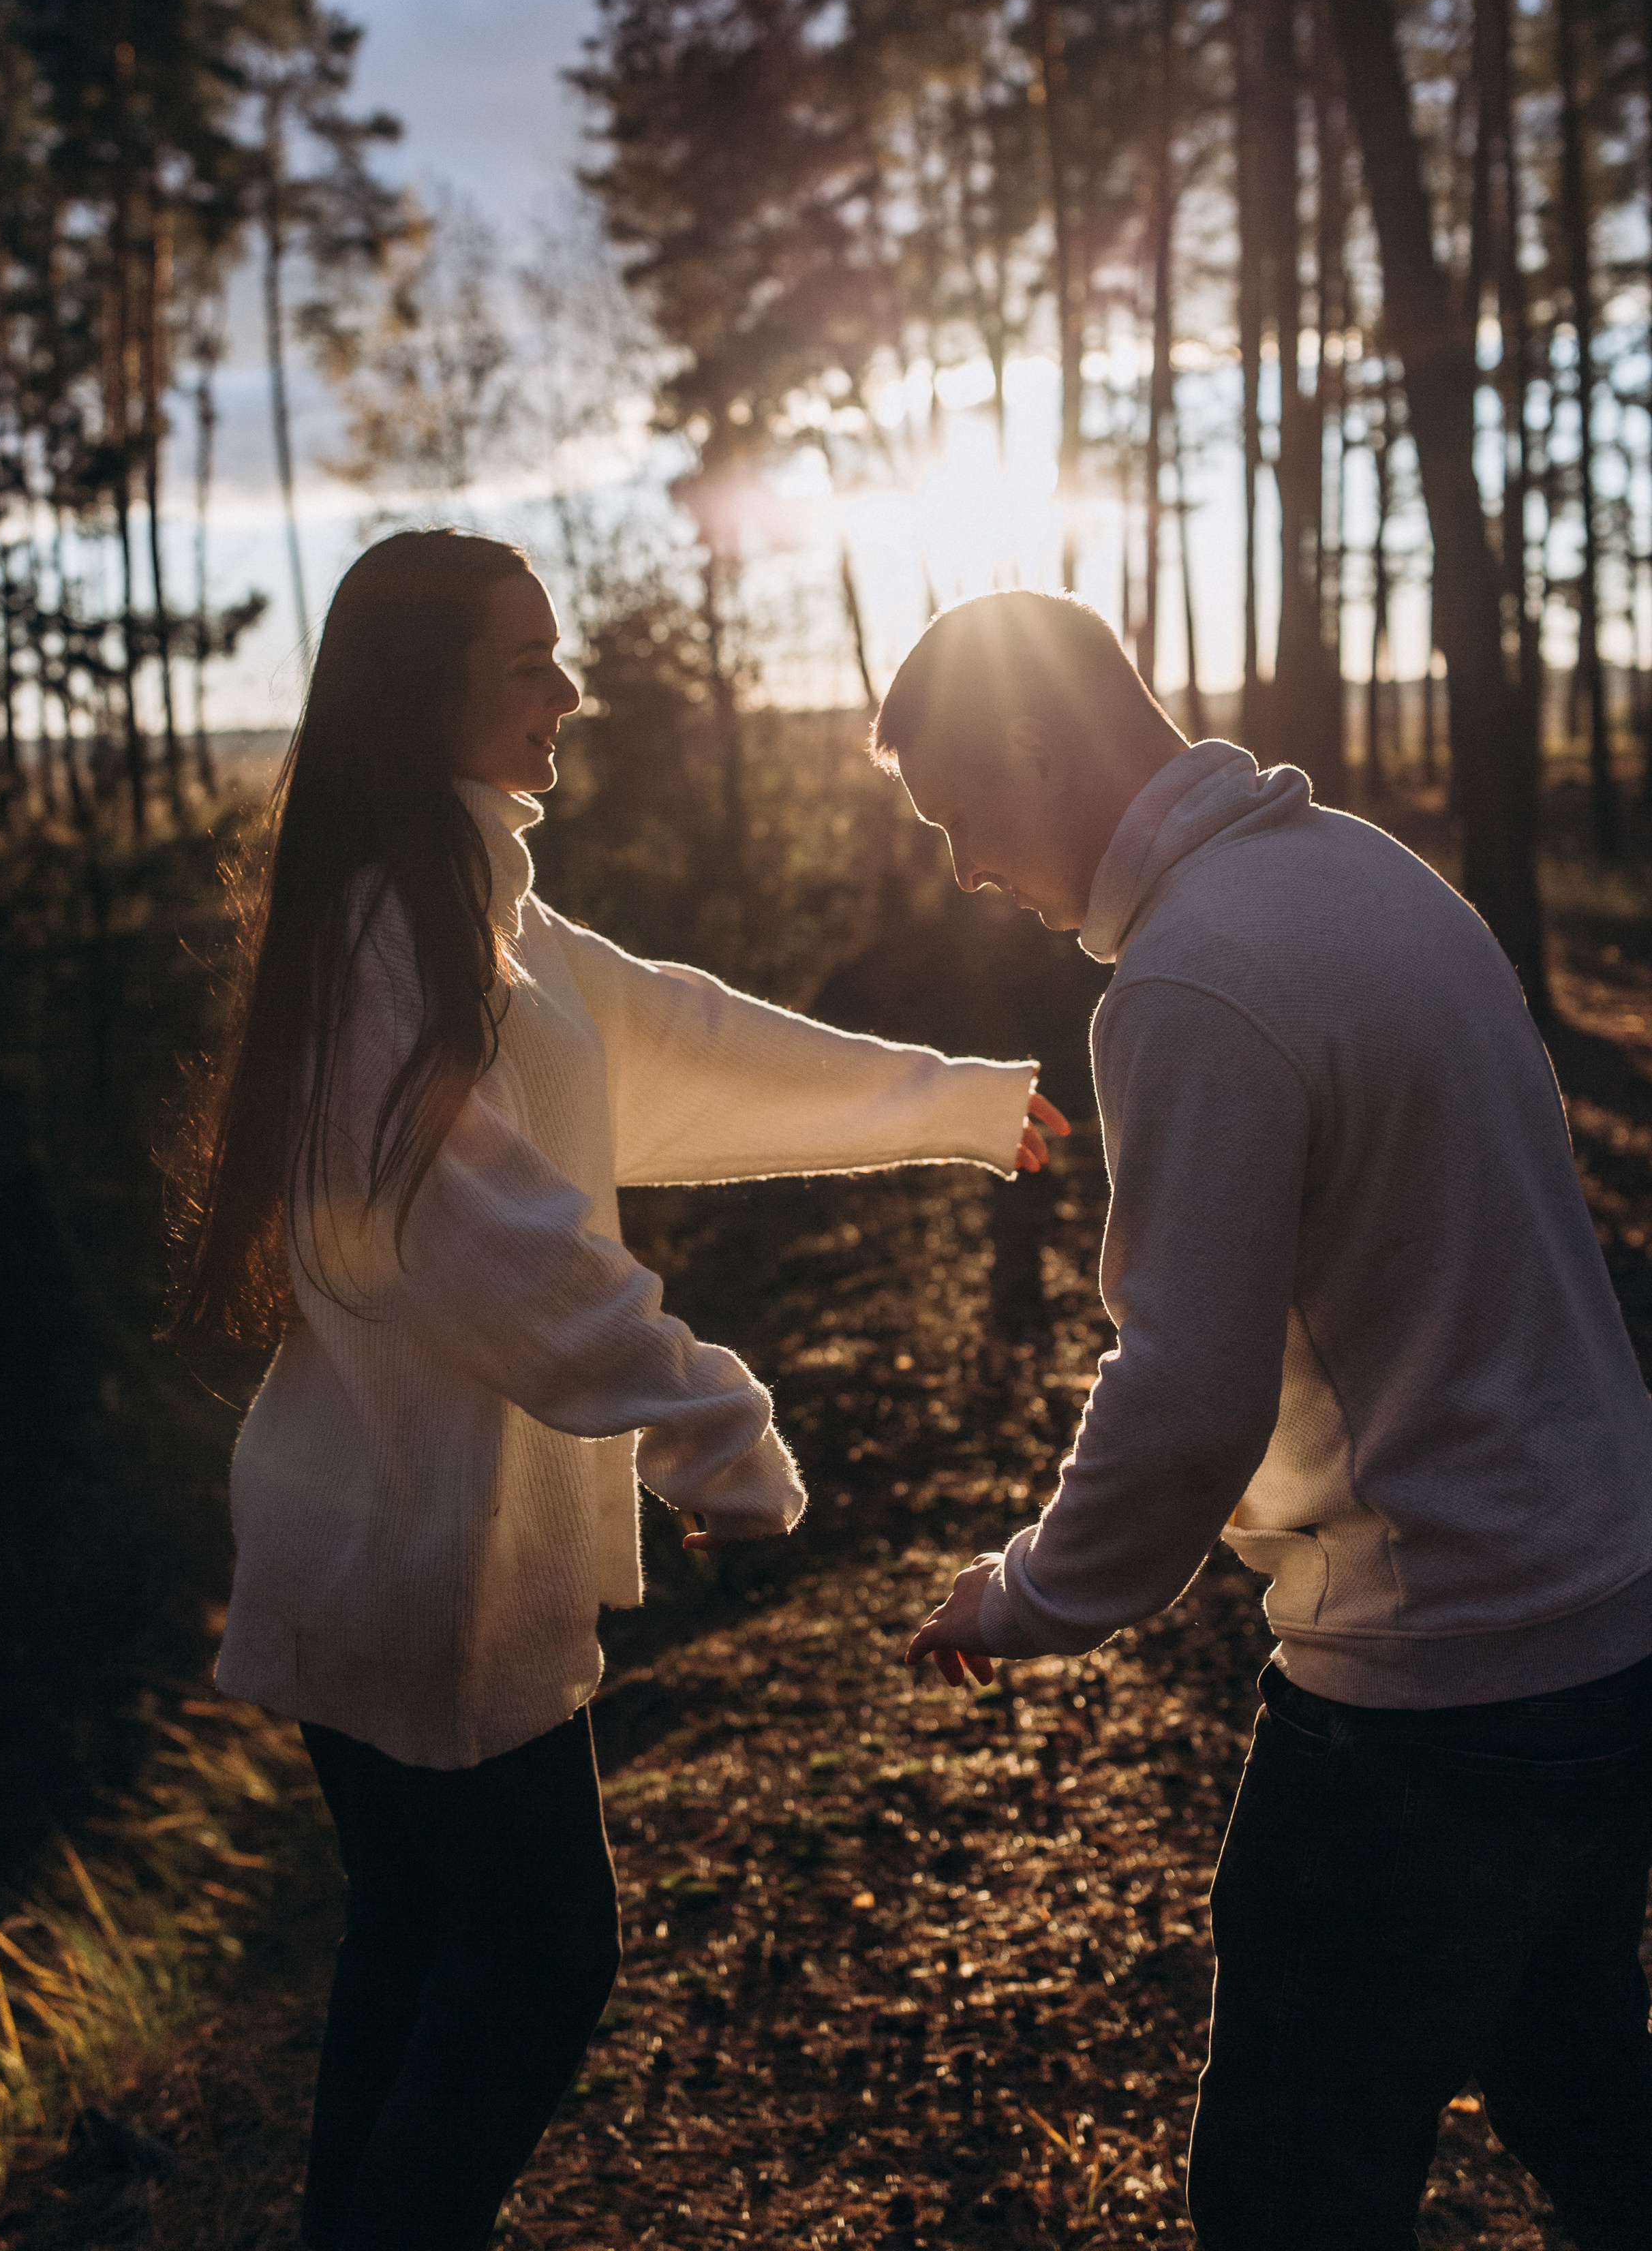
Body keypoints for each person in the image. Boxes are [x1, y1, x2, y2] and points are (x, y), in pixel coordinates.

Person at [168, 529, 1063, 2251]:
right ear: (428, 690)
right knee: (535, 1955)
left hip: (427, 1545)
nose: (566, 693)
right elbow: (484, 1238)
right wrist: (713, 1431)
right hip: (412, 1555)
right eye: (529, 665)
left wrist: (945, 1103)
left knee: (419, 1941)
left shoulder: (471, 903)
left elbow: (687, 1042)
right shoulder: (391, 929)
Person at [878, 589, 1652, 2251]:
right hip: (1598, 1620)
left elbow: (1185, 1392)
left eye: (960, 813)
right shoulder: (1361, 871)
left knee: (1286, 2195)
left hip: (1435, 1686)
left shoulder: (1187, 980)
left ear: (1030, 743)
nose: (963, 867)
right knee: (1588, 2091)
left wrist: (1023, 1593)